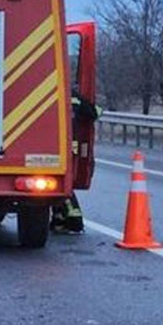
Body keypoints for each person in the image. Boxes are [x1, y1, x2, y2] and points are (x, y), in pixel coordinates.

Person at [51, 89, 102, 234]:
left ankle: (74, 221)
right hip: (70, 147)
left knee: (58, 185)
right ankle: (59, 220)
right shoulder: (75, 96)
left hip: (50, 147)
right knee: (61, 182)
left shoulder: (46, 89)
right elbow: (95, 113)